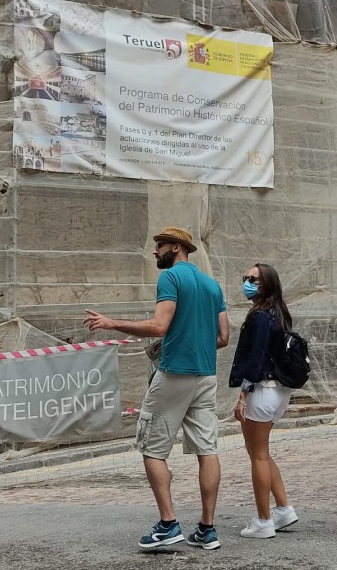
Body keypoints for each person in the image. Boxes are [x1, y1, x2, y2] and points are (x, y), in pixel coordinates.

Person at [84, 227, 230, 550]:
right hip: (206, 376)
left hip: (175, 373)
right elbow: (223, 337)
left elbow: (159, 325)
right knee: (207, 450)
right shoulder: (212, 285)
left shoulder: (170, 279)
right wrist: (190, 343)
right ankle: (207, 528)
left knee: (151, 448)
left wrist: (111, 323)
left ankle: (168, 524)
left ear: (176, 248)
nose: (155, 252)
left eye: (159, 246)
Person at [228, 263, 299, 539]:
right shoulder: (278, 313)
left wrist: (243, 395)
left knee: (256, 455)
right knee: (262, 452)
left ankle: (263, 520)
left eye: (254, 279)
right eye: (246, 277)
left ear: (267, 284)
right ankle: (283, 510)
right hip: (279, 391)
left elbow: (254, 359)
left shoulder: (259, 317)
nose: (247, 282)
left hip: (261, 389)